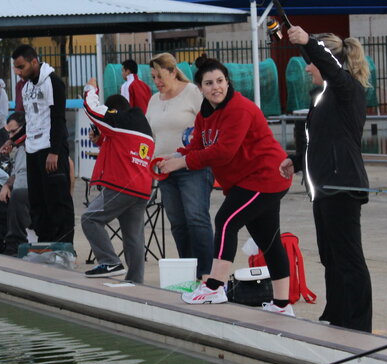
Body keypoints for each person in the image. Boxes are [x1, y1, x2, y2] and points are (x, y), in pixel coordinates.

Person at [157, 55, 294, 313]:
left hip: (267, 175)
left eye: (220, 81)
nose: (216, 87)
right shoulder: (205, 114)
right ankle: (282, 305)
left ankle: (214, 287)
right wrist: (173, 157)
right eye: (209, 83)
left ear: (228, 82)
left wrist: (182, 163)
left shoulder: (240, 108)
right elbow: (196, 146)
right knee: (268, 240)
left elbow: (223, 152)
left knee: (226, 220)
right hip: (249, 180)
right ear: (200, 88)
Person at [281, 27, 373, 332]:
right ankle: (335, 315)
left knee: (349, 258)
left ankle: (358, 325)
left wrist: (308, 41)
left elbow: (331, 69)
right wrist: (295, 161)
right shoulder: (322, 98)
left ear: (327, 62)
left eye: (311, 61)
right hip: (323, 189)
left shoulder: (347, 89)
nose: (308, 68)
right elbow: (320, 141)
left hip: (342, 187)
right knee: (330, 257)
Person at [145, 52, 214, 280]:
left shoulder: (192, 93)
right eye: (153, 77)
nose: (156, 82)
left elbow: (209, 124)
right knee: (177, 223)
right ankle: (188, 271)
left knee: (196, 218)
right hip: (164, 170)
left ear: (173, 72)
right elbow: (149, 134)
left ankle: (207, 272)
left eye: (160, 76)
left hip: (192, 167)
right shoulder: (154, 100)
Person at [81, 84, 156, 283]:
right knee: (133, 236)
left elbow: (92, 110)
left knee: (90, 219)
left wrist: (91, 89)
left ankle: (109, 261)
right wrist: (101, 140)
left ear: (113, 111)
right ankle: (135, 282)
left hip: (121, 186)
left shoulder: (120, 120)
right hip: (141, 189)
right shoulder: (141, 126)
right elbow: (122, 150)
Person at [11, 44, 74, 244]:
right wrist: (12, 140)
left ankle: (64, 246)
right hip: (33, 150)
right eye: (16, 68)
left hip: (51, 149)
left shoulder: (53, 82)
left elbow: (58, 119)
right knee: (38, 202)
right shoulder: (26, 87)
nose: (18, 72)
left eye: (21, 67)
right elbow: (30, 120)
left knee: (57, 200)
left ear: (34, 61)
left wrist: (54, 152)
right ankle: (44, 243)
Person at [0, 112, 30, 256]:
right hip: (17, 194)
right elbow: (15, 174)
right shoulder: (19, 150)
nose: (10, 137)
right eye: (9, 133)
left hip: (29, 196)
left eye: (14, 132)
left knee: (17, 195)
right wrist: (7, 185)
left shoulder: (34, 148)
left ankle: (14, 246)